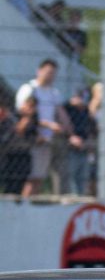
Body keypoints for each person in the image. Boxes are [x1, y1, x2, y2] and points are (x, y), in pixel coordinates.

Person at [15, 58, 70, 197]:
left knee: (40, 177)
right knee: (32, 177)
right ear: (39, 71)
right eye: (48, 72)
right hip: (32, 139)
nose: (50, 76)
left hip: (47, 139)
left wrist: (69, 130)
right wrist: (48, 125)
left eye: (53, 73)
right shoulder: (29, 89)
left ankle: (32, 205)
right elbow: (24, 113)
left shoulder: (53, 93)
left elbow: (61, 114)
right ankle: (25, 206)